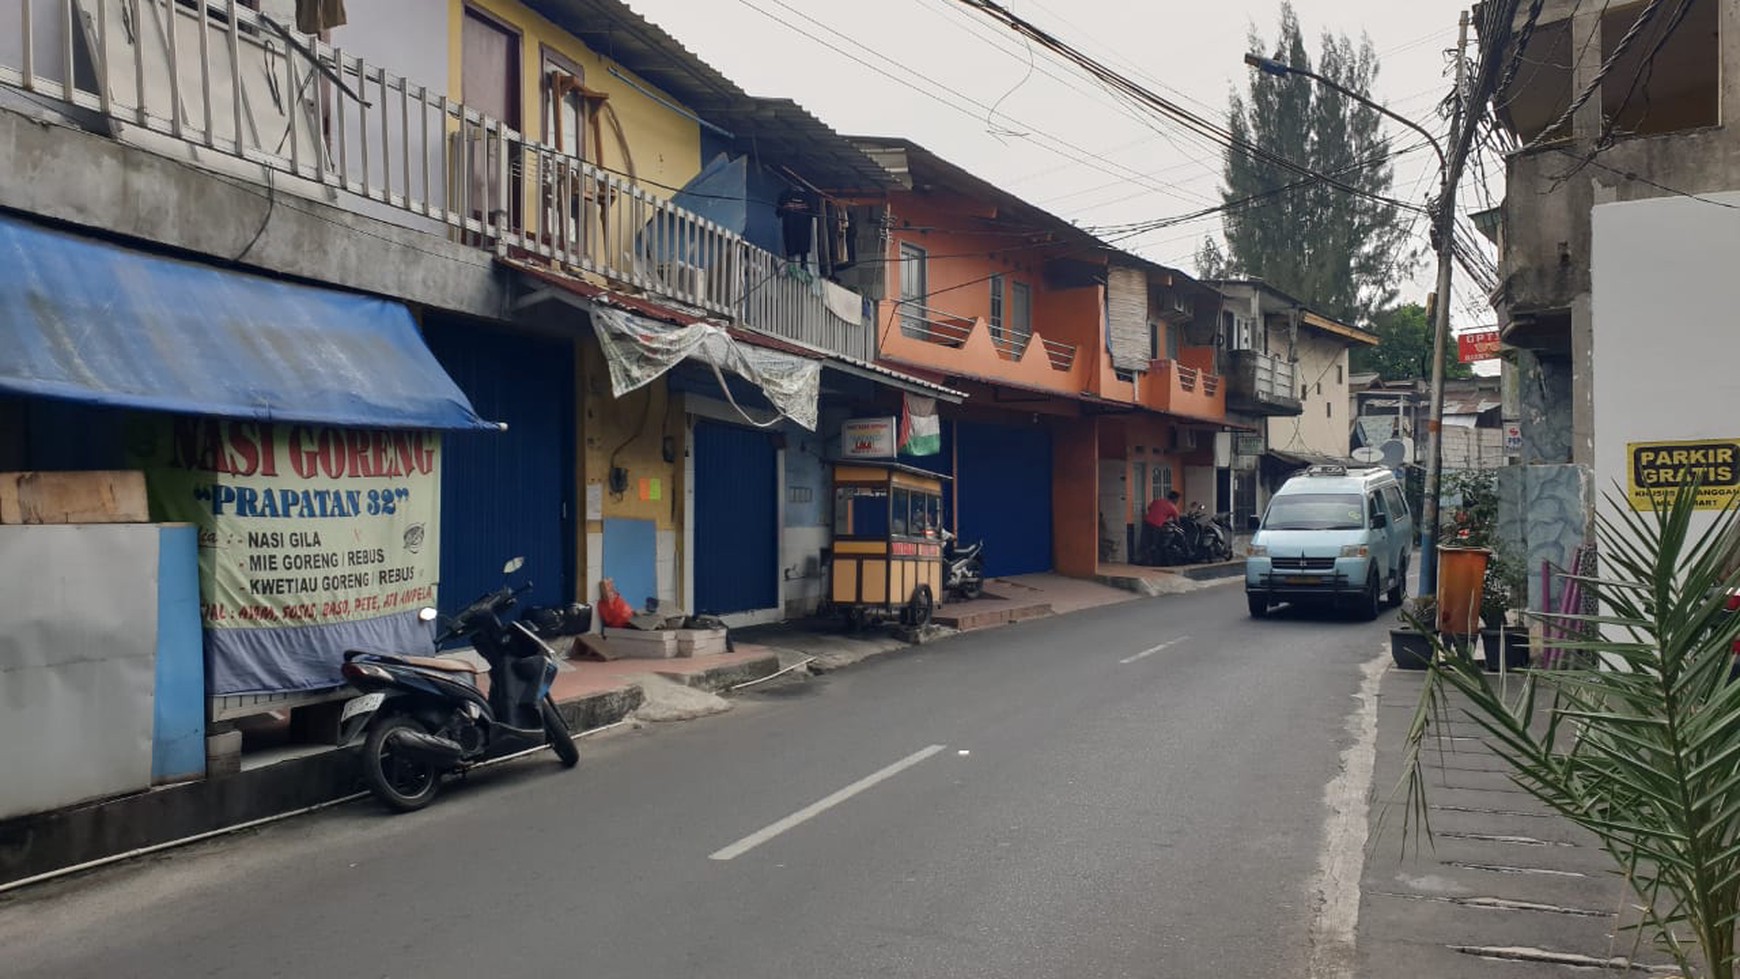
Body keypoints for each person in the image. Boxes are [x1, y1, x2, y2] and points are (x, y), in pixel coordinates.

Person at [1140, 491, 1182, 564]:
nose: (1178, 501)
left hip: (1146, 523)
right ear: (1175, 499)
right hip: (1156, 526)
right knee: (1155, 544)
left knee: (1145, 542)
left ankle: (1146, 560)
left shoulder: (1157, 501)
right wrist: (1180, 527)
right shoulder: (1173, 508)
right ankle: (1154, 561)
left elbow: (1149, 508)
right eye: (1177, 500)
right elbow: (1177, 521)